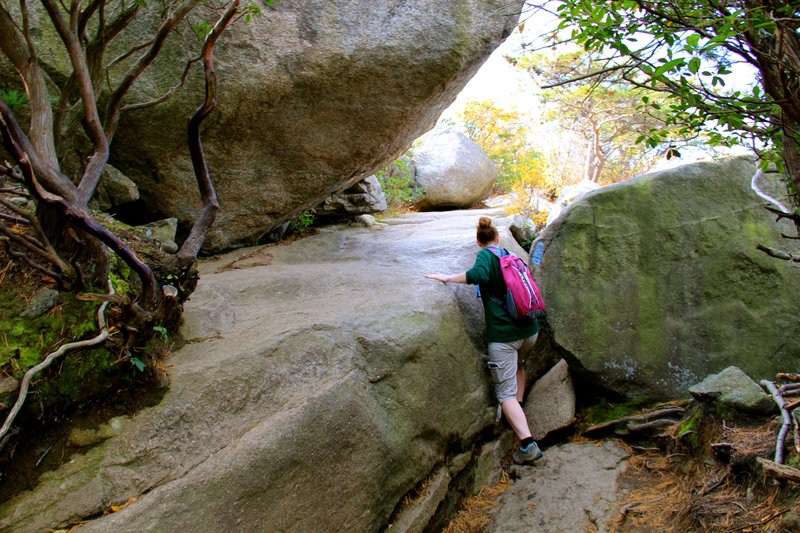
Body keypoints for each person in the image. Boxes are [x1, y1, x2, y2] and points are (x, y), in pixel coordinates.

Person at [425, 216, 543, 465]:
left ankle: (528, 444)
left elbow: (475, 275)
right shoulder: (509, 255)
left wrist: (446, 277)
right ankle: (518, 410)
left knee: (504, 394)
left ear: (478, 241)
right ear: (497, 238)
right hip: (530, 330)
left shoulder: (486, 256)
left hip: (505, 337)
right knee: (518, 364)